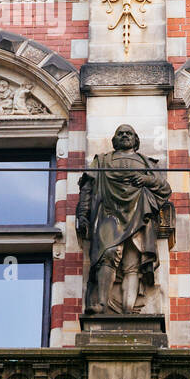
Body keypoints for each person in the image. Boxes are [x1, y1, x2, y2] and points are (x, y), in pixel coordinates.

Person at [75, 125, 172, 314]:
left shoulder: (148, 163)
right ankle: (102, 304)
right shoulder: (101, 161)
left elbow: (165, 189)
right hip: (109, 214)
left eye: (129, 133)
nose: (125, 135)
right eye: (121, 133)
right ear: (114, 140)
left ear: (136, 139)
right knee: (108, 253)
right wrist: (82, 214)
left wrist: (147, 180)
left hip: (139, 214)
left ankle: (129, 310)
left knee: (132, 262)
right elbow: (87, 188)